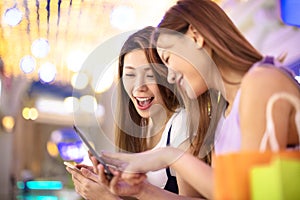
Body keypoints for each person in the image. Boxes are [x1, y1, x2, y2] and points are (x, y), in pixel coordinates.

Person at [100, 0, 300, 199]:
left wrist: (170, 156)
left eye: (168, 59)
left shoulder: (261, 83)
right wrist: (141, 190)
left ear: (195, 36)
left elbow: (246, 194)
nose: (169, 77)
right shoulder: (226, 113)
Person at [66, 26, 215, 199]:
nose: (139, 87)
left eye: (150, 75)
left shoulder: (181, 124)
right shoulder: (144, 129)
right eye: (130, 75)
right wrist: (109, 184)